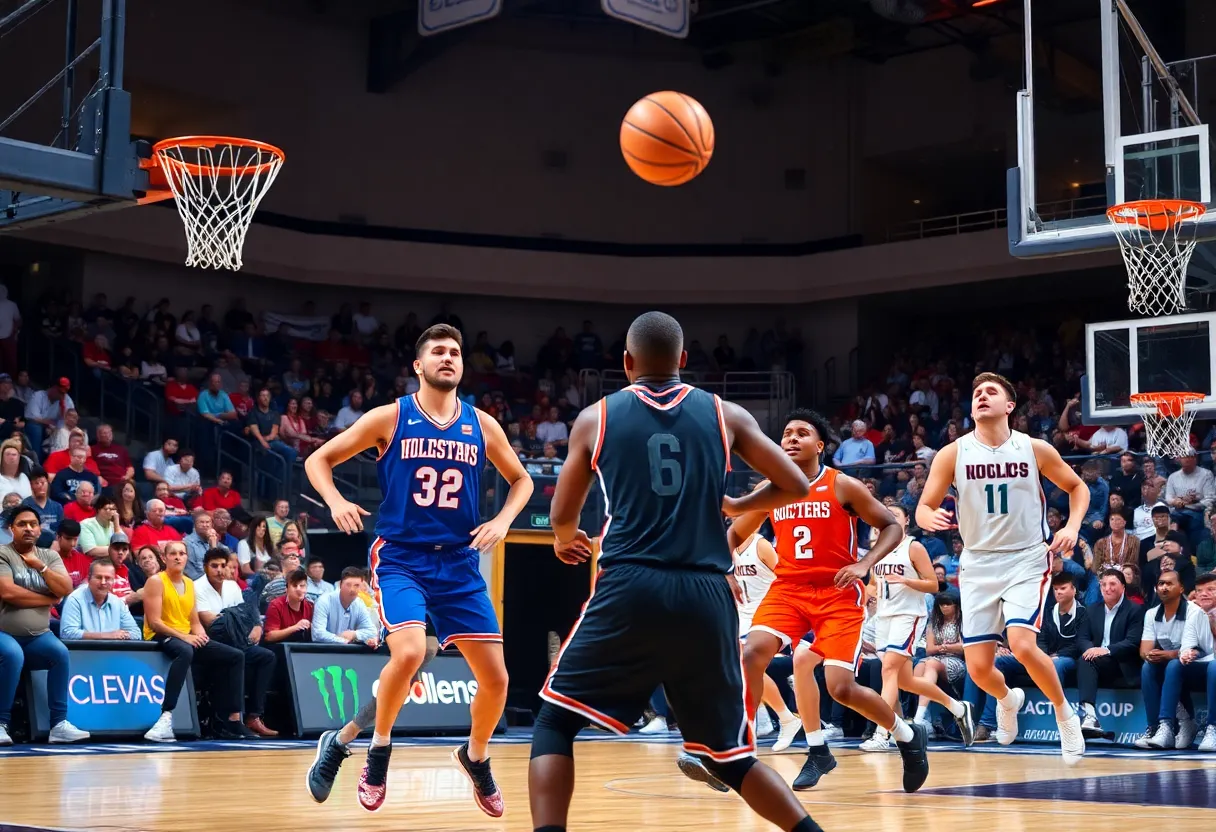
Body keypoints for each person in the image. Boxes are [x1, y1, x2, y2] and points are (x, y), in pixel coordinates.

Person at [530, 311, 826, 832]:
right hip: (707, 592)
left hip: (630, 583)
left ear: (626, 363)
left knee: (555, 720)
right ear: (684, 361)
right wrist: (738, 505)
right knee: (731, 757)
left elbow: (562, 514)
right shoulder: (726, 414)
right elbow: (796, 485)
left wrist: (562, 540)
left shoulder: (595, 419)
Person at [304, 323, 533, 816]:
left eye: (455, 352)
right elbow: (319, 459)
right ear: (418, 365)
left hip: (459, 562)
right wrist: (337, 499)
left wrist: (502, 520)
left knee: (497, 681)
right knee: (409, 652)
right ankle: (379, 750)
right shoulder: (391, 416)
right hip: (403, 557)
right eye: (438, 352)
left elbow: (522, 482)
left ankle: (475, 757)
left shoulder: (482, 424)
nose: (448, 358)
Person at [728, 410, 929, 793]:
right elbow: (734, 533)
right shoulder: (773, 489)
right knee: (751, 654)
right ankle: (737, 747)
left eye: (802, 433)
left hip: (838, 592)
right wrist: (726, 570)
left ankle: (906, 734)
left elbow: (892, 525)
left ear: (819, 446)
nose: (791, 438)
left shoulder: (842, 485)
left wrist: (865, 562)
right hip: (788, 589)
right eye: (786, 433)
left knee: (841, 687)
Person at [917, 372, 1088, 764]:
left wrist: (1073, 526)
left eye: (991, 392)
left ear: (1009, 406)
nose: (981, 396)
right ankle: (1008, 699)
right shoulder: (953, 452)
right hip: (977, 562)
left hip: (1026, 556)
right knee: (978, 669)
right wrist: (927, 518)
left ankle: (1065, 714)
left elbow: (1078, 487)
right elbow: (925, 505)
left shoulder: (1033, 448)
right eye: (976, 392)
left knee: (1023, 644)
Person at [861, 504, 975, 753]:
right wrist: (860, 594)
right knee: (905, 681)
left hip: (908, 615)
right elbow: (872, 584)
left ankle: (883, 734)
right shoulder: (878, 549)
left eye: (896, 515)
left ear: (906, 521)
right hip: (884, 618)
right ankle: (958, 708)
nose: (890, 518)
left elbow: (933, 584)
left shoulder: (913, 546)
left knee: (888, 669)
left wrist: (905, 580)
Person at [0, 504, 90, 745]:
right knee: (12, 654)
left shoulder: (49, 556)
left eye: (33, 524)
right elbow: (8, 592)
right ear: (11, 529)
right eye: (22, 524)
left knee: (60, 653)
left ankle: (59, 725)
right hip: (4, 633)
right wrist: (47, 598)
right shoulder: (3, 553)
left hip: (39, 635)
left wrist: (40, 566)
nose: (28, 528)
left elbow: (66, 589)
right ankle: (1, 723)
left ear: (40, 529)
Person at [734, 528, 802, 751]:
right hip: (741, 613)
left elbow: (785, 576)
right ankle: (781, 718)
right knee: (743, 669)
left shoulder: (761, 545)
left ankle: (768, 721)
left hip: (766, 611)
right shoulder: (732, 546)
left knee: (747, 664)